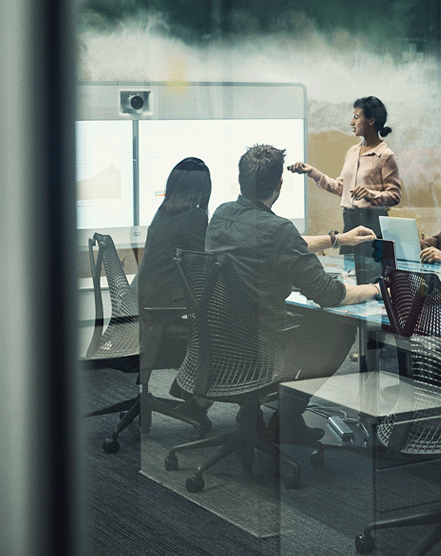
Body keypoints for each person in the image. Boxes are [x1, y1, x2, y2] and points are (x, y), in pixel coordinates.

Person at [206, 143, 381, 441]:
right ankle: (287, 418)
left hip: (218, 340)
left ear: (240, 181)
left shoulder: (223, 215)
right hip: (260, 349)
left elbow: (277, 242)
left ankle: (256, 415)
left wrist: (337, 239)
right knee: (338, 327)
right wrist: (373, 289)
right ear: (280, 183)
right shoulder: (278, 230)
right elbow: (328, 294)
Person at [289, 96, 402, 245]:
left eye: (356, 117)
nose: (351, 122)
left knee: (370, 267)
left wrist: (371, 195)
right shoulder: (353, 151)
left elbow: (395, 196)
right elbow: (341, 188)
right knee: (348, 267)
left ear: (371, 120)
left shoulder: (385, 155)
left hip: (372, 224)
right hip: (349, 222)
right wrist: (312, 172)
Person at [134, 157, 211, 310]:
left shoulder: (162, 213)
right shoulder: (195, 216)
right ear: (203, 190)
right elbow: (199, 269)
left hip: (147, 300)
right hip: (167, 306)